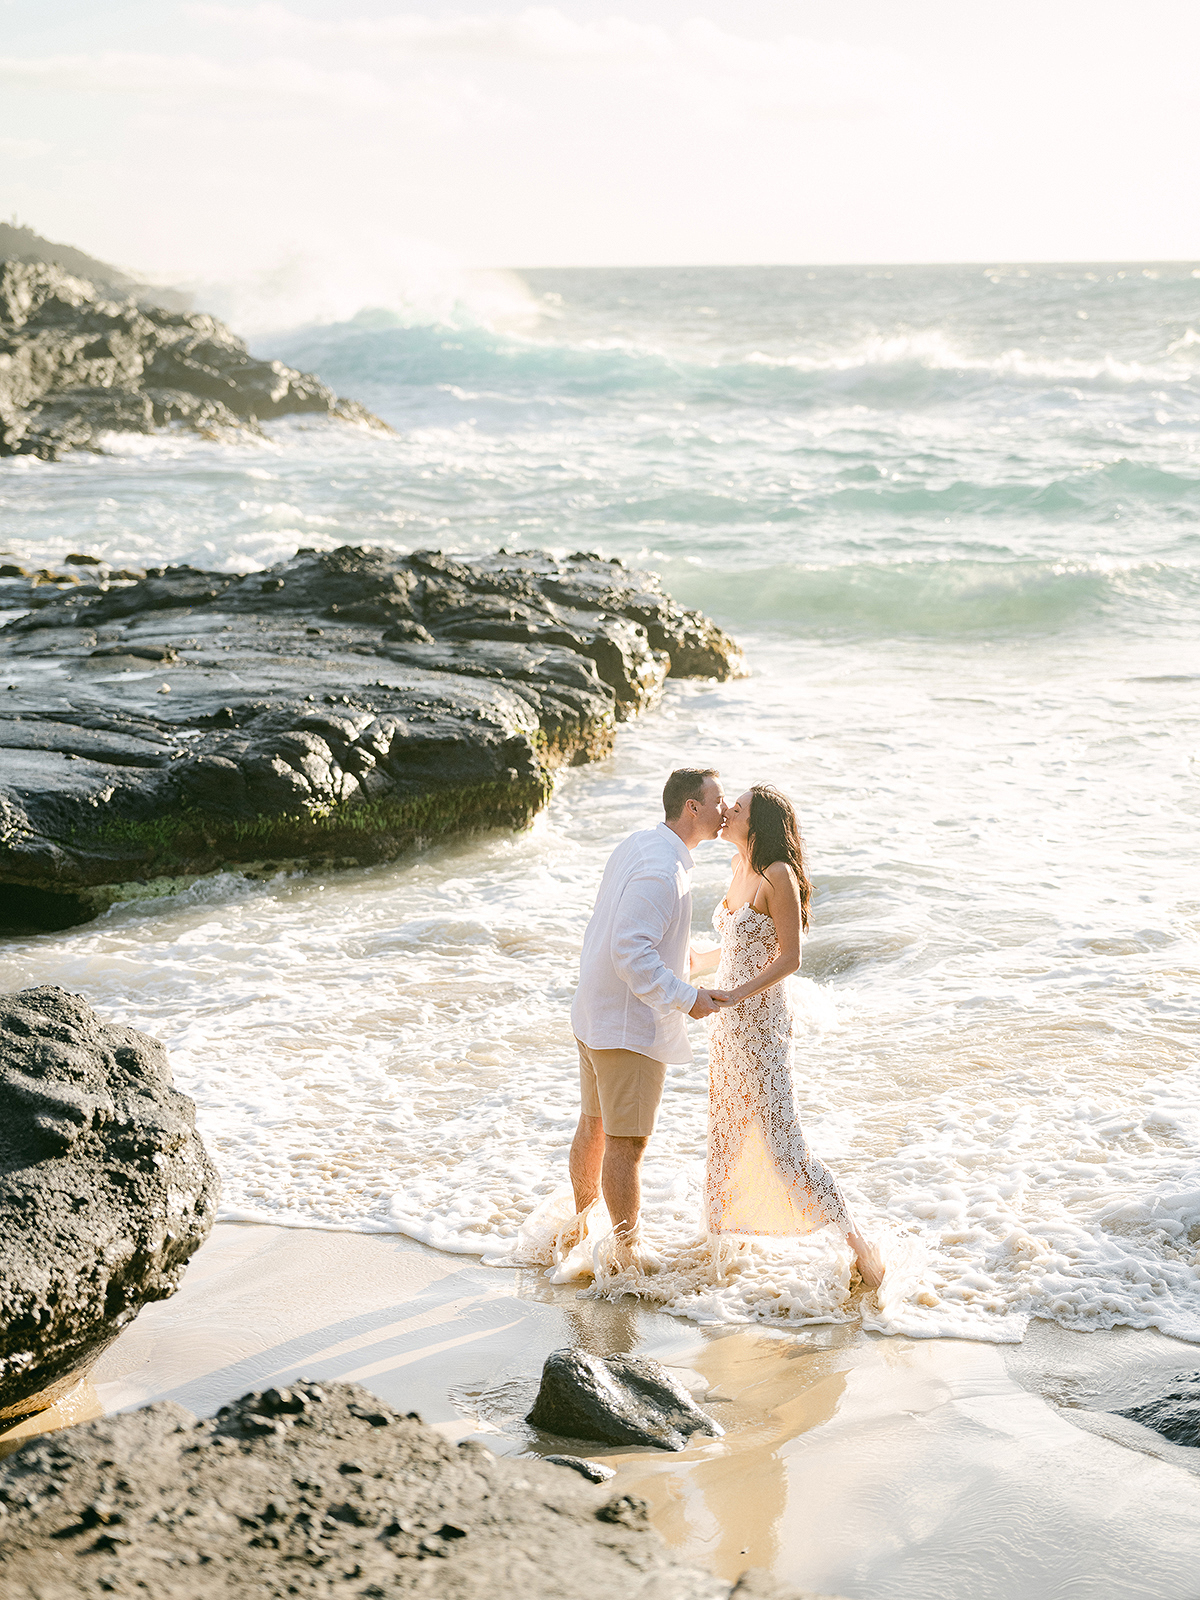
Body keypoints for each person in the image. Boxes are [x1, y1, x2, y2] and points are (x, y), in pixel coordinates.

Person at [691, 783, 885, 1290]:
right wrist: (695, 963)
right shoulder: (738, 870)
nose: (727, 810)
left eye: (738, 807)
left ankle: (860, 1245)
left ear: (760, 824)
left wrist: (735, 995)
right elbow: (733, 943)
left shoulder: (779, 875)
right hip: (728, 1031)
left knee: (783, 1146)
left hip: (761, 1028)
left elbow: (789, 958)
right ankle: (720, 1254)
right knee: (726, 1135)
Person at [564, 766, 729, 1271]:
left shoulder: (643, 845)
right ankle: (625, 1258)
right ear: (691, 808)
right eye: (717, 801)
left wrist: (713, 956)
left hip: (595, 1012)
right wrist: (688, 997)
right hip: (627, 1028)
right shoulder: (665, 871)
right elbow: (632, 953)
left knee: (594, 1127)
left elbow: (636, 934)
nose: (725, 811)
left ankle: (582, 1232)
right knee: (627, 1143)